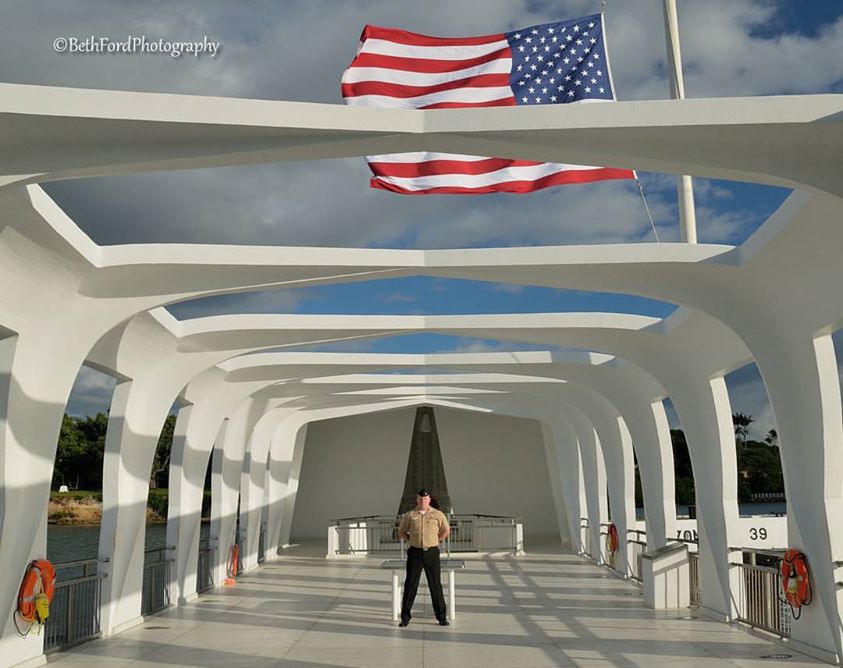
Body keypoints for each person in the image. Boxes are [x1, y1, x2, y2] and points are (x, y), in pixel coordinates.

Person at [396, 488, 451, 627]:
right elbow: (401, 531)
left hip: (431, 552)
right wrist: (410, 540)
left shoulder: (437, 514)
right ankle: (405, 617)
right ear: (417, 500)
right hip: (415, 552)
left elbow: (446, 530)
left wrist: (436, 540)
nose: (423, 501)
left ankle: (441, 617)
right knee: (411, 584)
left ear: (429, 500)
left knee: (435, 585)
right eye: (420, 499)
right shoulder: (410, 515)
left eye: (425, 499)